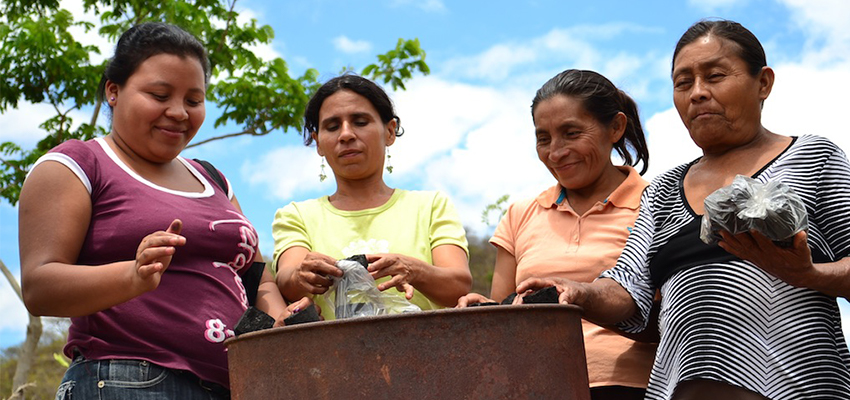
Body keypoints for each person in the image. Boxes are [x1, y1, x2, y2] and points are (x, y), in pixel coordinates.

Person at [517, 20, 850, 400]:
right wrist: (577, 292)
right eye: (683, 83)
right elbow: (629, 288)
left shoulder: (812, 157)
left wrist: (809, 273)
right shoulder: (662, 190)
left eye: (715, 76)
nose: (697, 94)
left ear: (764, 83)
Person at [19, 22, 310, 399]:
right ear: (113, 90)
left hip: (235, 384)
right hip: (129, 378)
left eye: (193, 100)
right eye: (159, 95)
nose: (178, 112)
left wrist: (277, 318)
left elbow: (258, 277)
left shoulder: (213, 178)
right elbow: (40, 286)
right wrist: (132, 276)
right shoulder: (79, 164)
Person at [456, 69, 656, 400]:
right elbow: (508, 310)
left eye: (571, 133)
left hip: (631, 387)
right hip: (537, 385)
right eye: (544, 138)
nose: (556, 152)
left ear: (615, 128)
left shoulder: (658, 206)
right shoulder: (521, 214)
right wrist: (486, 310)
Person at [272, 74, 471, 319]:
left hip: (426, 352)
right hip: (331, 356)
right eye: (332, 127)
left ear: (389, 132)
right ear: (319, 143)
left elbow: (458, 285)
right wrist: (302, 275)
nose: (346, 134)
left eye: (360, 122)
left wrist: (413, 270)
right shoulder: (296, 216)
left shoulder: (430, 206)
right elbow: (286, 280)